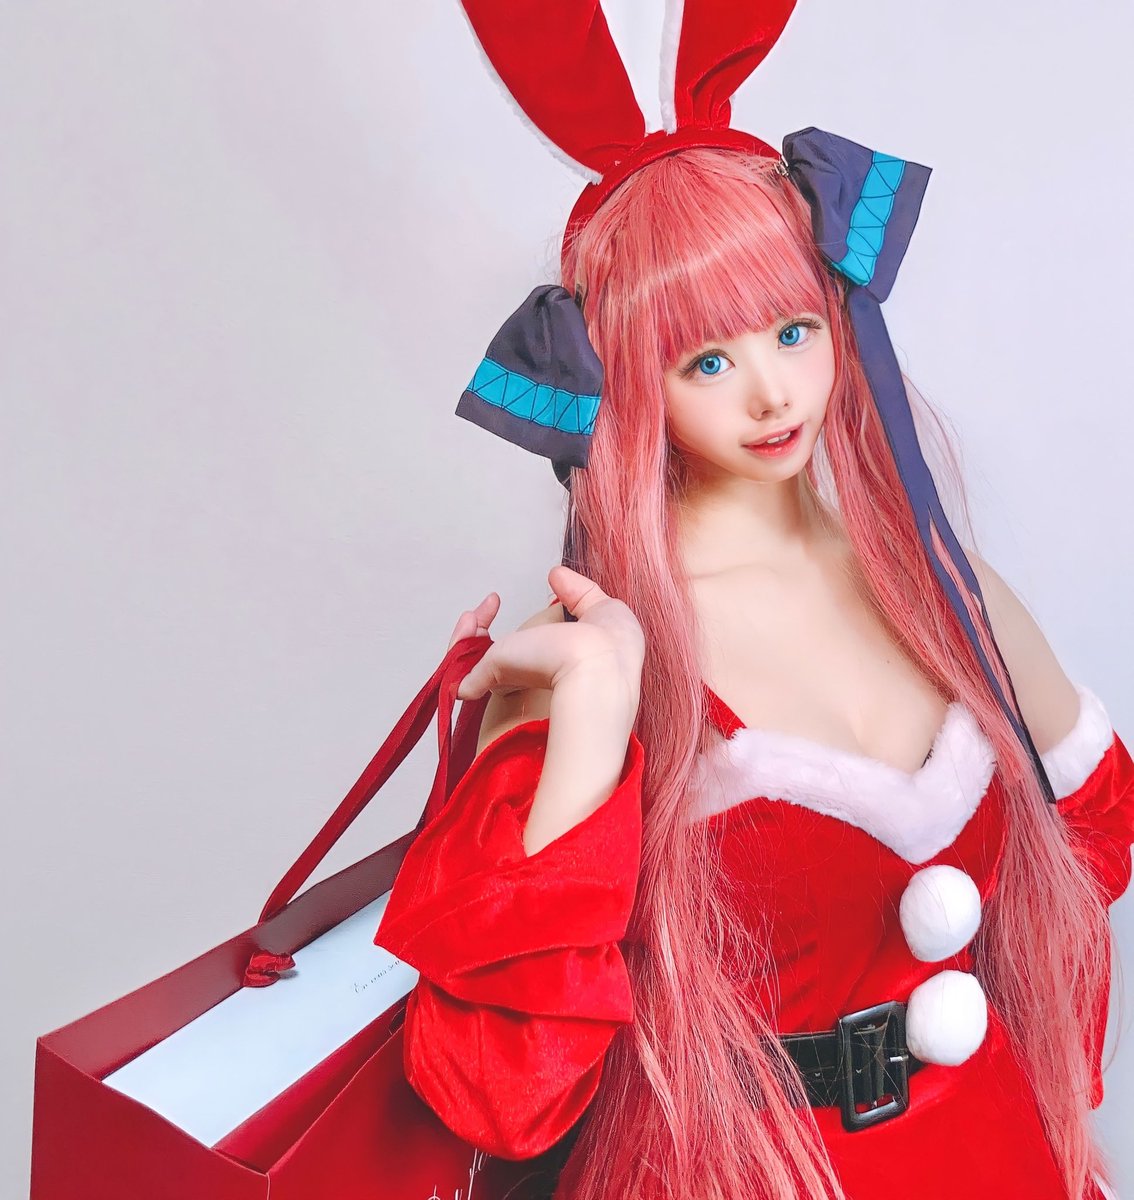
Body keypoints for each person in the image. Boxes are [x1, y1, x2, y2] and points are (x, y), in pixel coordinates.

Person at [375, 6, 1134, 1198]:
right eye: (709, 361)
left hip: (994, 1154)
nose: (774, 394)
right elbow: (500, 1095)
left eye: (794, 330)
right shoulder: (599, 657)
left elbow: (1093, 836)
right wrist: (590, 727)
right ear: (629, 374)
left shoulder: (935, 583)